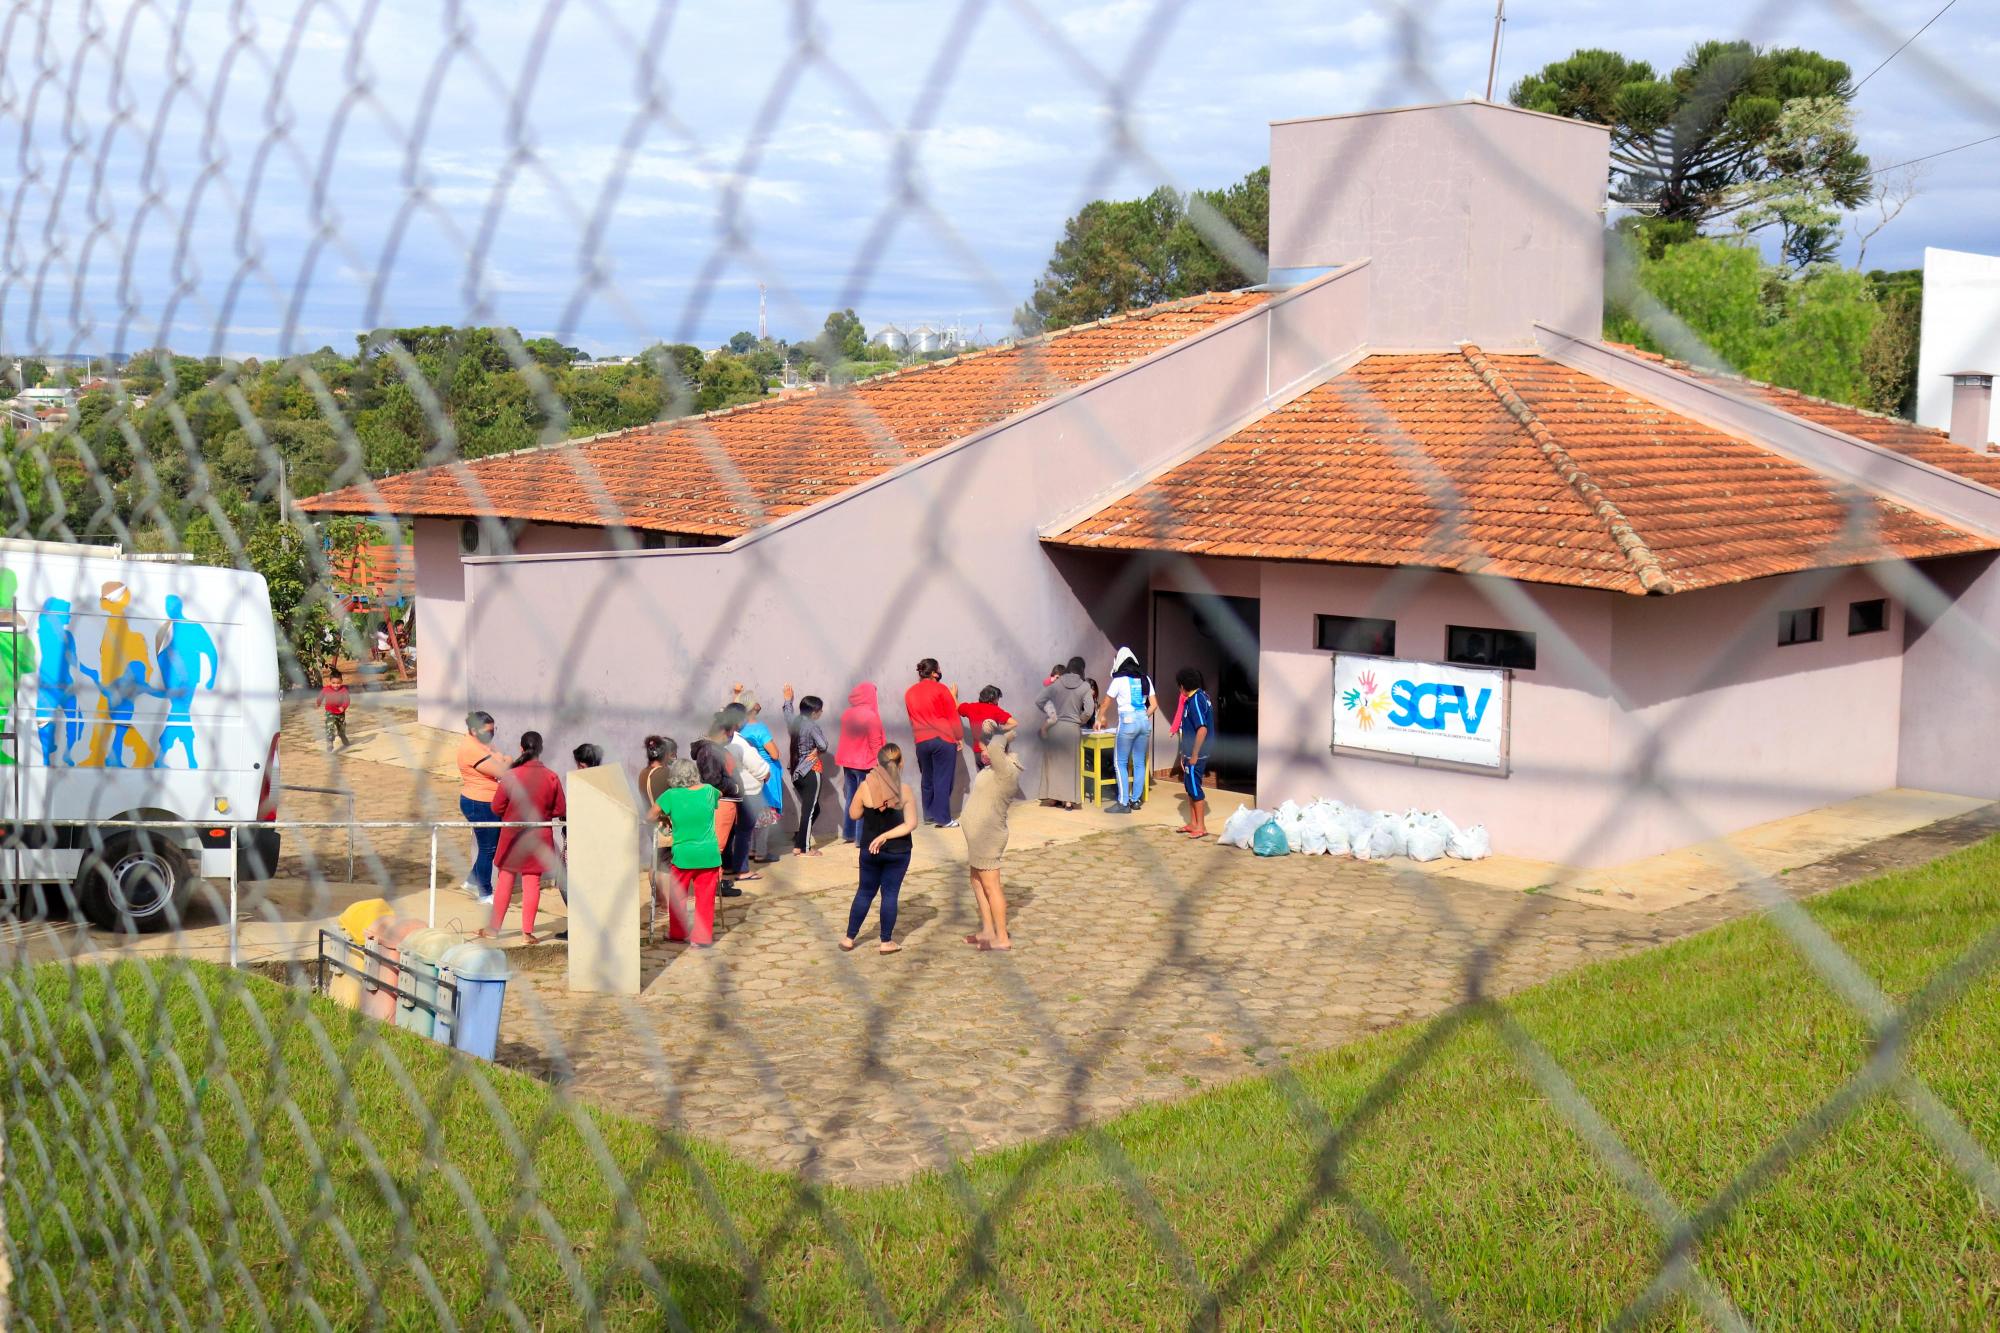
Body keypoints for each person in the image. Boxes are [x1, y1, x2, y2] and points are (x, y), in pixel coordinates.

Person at [480, 731, 566, 943]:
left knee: (505, 880)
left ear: (521, 748)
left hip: (512, 835)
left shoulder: (511, 776)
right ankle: (527, 932)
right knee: (532, 883)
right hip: (539, 836)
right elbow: (560, 808)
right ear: (541, 749)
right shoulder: (551, 776)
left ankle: (494, 929)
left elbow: (496, 806)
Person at [843, 743, 917, 954]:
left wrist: (878, 830)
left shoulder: (866, 786)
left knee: (865, 892)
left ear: (877, 762)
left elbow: (854, 814)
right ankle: (886, 942)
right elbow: (911, 824)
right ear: (901, 763)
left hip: (869, 849)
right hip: (898, 851)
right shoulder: (905, 790)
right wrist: (887, 835)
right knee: (890, 894)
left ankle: (849, 938)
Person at [960, 721, 1022, 950]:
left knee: (991, 885)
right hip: (977, 835)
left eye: (985, 748)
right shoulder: (994, 767)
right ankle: (987, 930)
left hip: (988, 834)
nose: (983, 752)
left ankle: (1002, 937)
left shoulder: (1006, 769)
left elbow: (997, 745)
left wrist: (1005, 732)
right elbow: (992, 745)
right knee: (977, 881)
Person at [650, 757, 722, 946]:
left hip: (683, 855)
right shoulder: (709, 791)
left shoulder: (671, 795)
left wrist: (667, 816)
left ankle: (678, 932)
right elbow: (720, 794)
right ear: (695, 774)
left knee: (677, 896)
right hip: (708, 854)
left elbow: (651, 814)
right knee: (705, 898)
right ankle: (702, 938)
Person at [1095, 647, 1157, 814]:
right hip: (1144, 721)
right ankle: (1135, 800)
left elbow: (1106, 703)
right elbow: (1154, 705)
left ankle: (1123, 803)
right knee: (1139, 762)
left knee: (1120, 762)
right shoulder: (1145, 679)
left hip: (1127, 721)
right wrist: (1142, 715)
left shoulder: (1119, 679)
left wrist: (1099, 719)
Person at [904, 658, 963, 827]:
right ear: (934, 673)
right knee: (943, 779)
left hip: (921, 741)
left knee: (927, 778)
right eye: (939, 669)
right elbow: (952, 716)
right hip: (943, 739)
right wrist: (958, 736)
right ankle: (943, 819)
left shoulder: (909, 693)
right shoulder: (941, 689)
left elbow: (911, 718)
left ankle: (929, 815)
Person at [457, 711, 507, 903]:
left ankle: (472, 881)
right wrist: (505, 760)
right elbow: (502, 769)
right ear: (474, 730)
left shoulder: (481, 743)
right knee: (488, 849)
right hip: (480, 802)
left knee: (489, 847)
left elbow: (500, 759)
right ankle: (485, 892)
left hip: (485, 800)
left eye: (493, 730)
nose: (491, 734)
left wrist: (502, 759)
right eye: (488, 731)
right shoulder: (472, 748)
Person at [731, 687, 786, 863]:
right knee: (765, 814)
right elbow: (775, 754)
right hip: (764, 772)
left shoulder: (739, 729)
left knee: (752, 815)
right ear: (754, 706)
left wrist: (735, 694)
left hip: (746, 774)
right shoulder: (759, 728)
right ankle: (761, 852)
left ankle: (752, 850)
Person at [718, 704, 771, 882]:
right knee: (744, 831)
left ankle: (726, 865)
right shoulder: (740, 742)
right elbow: (759, 767)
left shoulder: (717, 740)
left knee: (729, 830)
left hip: (726, 791)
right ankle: (742, 870)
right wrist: (765, 774)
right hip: (748, 792)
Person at [1033, 657, 1092, 810]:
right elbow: (1089, 711)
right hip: (1072, 728)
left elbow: (1039, 700)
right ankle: (1068, 801)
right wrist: (1079, 720)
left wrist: (1052, 712)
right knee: (1070, 765)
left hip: (1055, 727)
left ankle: (1052, 798)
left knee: (1053, 764)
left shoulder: (1058, 683)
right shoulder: (1085, 686)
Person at [692, 737, 743, 898]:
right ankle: (714, 884)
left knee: (720, 846)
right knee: (717, 846)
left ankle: (716, 881)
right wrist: (734, 786)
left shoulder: (712, 750)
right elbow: (714, 781)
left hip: (725, 802)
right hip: (722, 803)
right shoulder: (709, 751)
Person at [835, 682, 885, 843]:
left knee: (851, 797)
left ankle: (849, 834)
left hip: (848, 763)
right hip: (865, 763)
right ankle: (861, 838)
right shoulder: (870, 716)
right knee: (866, 799)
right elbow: (876, 742)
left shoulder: (847, 714)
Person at [783, 686, 830, 856]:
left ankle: (798, 845)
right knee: (809, 810)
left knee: (813, 809)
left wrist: (788, 699)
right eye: (820, 710)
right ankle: (806, 849)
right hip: (810, 771)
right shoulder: (812, 726)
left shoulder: (794, 723)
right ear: (814, 712)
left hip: (796, 772)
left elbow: (787, 713)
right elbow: (823, 745)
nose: (821, 713)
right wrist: (817, 751)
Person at [640, 735, 678, 918]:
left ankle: (657, 899)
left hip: (650, 822)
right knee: (665, 865)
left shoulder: (643, 773)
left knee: (655, 862)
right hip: (665, 823)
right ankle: (666, 904)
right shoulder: (667, 773)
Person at [1174, 666, 1215, 839]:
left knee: (1195, 788)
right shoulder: (1194, 699)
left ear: (1183, 685)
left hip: (1196, 753)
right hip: (1189, 752)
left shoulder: (1197, 699)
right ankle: (1193, 823)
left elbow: (1202, 729)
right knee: (1189, 786)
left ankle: (1201, 826)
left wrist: (1195, 754)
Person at [958, 685, 1013, 768]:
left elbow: (958, 707)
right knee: (997, 779)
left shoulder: (971, 707)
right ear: (992, 698)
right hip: (993, 751)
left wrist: (953, 695)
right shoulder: (995, 710)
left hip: (978, 753)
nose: (998, 701)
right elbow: (1013, 723)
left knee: (983, 778)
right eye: (997, 699)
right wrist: (999, 730)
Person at [320, 668, 352, 751]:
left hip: (340, 713)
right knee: (329, 725)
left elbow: (347, 700)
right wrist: (318, 702)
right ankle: (330, 742)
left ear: (341, 682)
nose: (336, 685)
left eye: (338, 683)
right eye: (333, 683)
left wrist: (343, 707)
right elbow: (321, 696)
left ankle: (342, 736)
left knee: (341, 727)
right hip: (330, 712)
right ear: (330, 682)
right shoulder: (326, 689)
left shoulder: (344, 690)